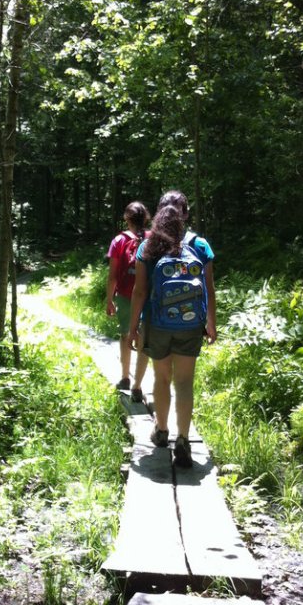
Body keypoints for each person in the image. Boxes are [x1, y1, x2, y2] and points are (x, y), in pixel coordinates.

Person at [127, 190, 216, 468]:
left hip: (157, 324)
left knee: (162, 378)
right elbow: (209, 290)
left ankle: (162, 431)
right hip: (191, 324)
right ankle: (184, 440)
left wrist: (133, 329)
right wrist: (211, 322)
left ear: (159, 212)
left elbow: (140, 291)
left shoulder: (147, 247)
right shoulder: (199, 245)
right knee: (185, 382)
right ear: (186, 214)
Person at [106, 201, 151, 402]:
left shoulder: (119, 240)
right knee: (143, 338)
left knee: (126, 335)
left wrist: (109, 299)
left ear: (126, 218)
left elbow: (113, 275)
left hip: (125, 295)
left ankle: (125, 377)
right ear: (146, 218)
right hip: (149, 295)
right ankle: (138, 385)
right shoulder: (153, 239)